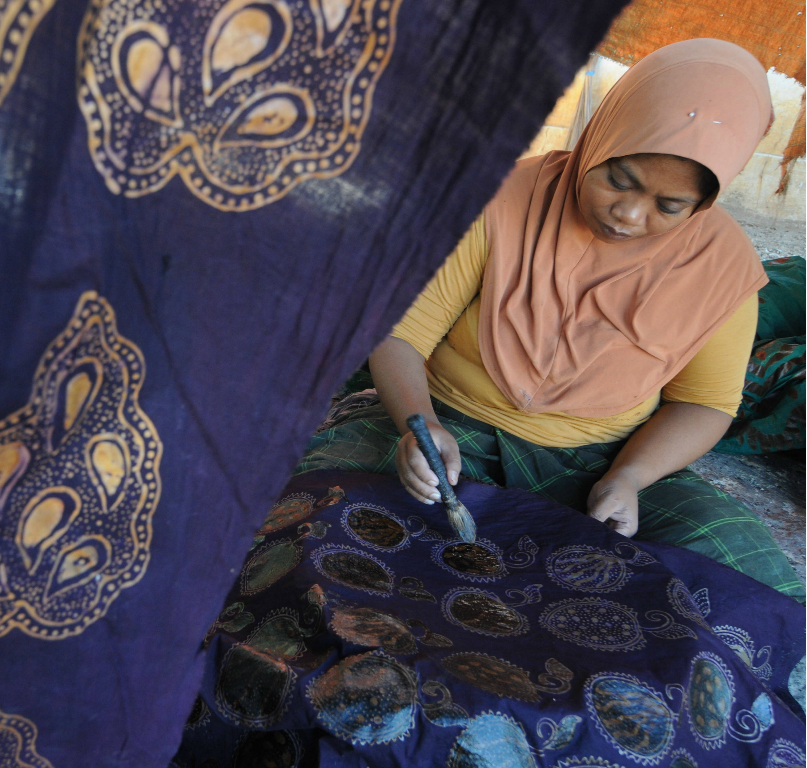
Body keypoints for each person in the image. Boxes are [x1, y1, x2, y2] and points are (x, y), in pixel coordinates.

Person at [299, 38, 805, 602]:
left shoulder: (724, 267)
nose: (629, 214)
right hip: (456, 428)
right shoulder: (502, 197)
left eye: (669, 206)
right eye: (620, 178)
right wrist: (421, 427)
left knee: (746, 577)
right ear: (601, 136)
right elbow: (401, 333)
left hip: (606, 459)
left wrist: (631, 478)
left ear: (704, 202)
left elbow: (704, 402)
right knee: (322, 519)